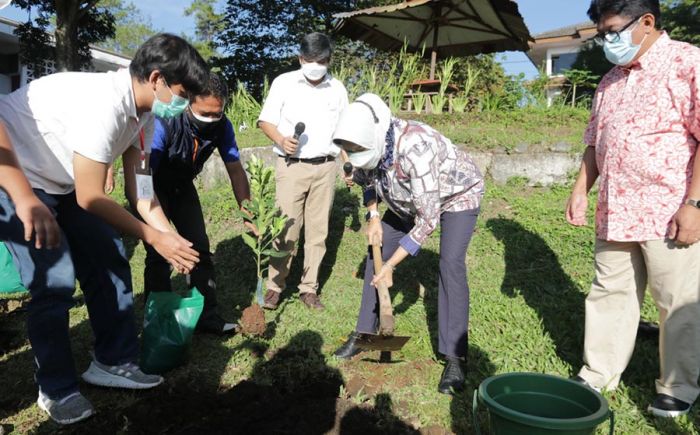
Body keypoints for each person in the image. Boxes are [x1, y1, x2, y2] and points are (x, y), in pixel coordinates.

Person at [0, 33, 208, 424]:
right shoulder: (106, 106)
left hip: (62, 181)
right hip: (17, 176)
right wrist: (152, 238)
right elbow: (91, 198)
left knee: (109, 255)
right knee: (55, 279)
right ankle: (56, 388)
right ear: (157, 78)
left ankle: (112, 361)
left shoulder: (143, 113)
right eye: (181, 93)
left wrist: (170, 236)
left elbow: (140, 192)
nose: (181, 104)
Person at [566, 0, 700, 418]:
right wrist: (580, 189)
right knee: (609, 293)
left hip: (669, 208)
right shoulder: (609, 80)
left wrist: (694, 203)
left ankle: (679, 385)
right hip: (616, 208)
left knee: (675, 300)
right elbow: (595, 141)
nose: (607, 41)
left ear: (646, 22)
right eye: (601, 33)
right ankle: (598, 373)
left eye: (611, 31)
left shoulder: (687, 62)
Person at [331, 94, 484, 395]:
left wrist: (390, 266)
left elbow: (428, 220)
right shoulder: (367, 141)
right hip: (404, 200)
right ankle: (365, 333)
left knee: (450, 263)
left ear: (376, 138)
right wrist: (374, 216)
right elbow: (366, 180)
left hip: (456, 195)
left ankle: (455, 357)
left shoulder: (417, 148)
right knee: (377, 247)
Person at [144, 71, 251, 334]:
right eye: (205, 113)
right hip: (153, 187)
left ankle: (207, 316)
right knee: (158, 254)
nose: (211, 119)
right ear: (189, 102)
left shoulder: (222, 126)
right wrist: (166, 234)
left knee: (200, 248)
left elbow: (235, 169)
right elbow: (145, 176)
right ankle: (157, 318)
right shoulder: (166, 122)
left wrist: (248, 212)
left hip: (183, 187)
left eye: (217, 113)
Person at [257, 32, 348, 311]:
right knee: (285, 228)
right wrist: (281, 140)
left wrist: (347, 164)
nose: (315, 65)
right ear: (300, 58)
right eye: (309, 59)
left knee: (318, 232)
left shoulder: (338, 89)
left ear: (329, 60)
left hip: (325, 167)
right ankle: (274, 286)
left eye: (320, 60)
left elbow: (344, 132)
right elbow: (265, 121)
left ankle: (309, 288)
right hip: (291, 167)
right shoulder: (284, 84)